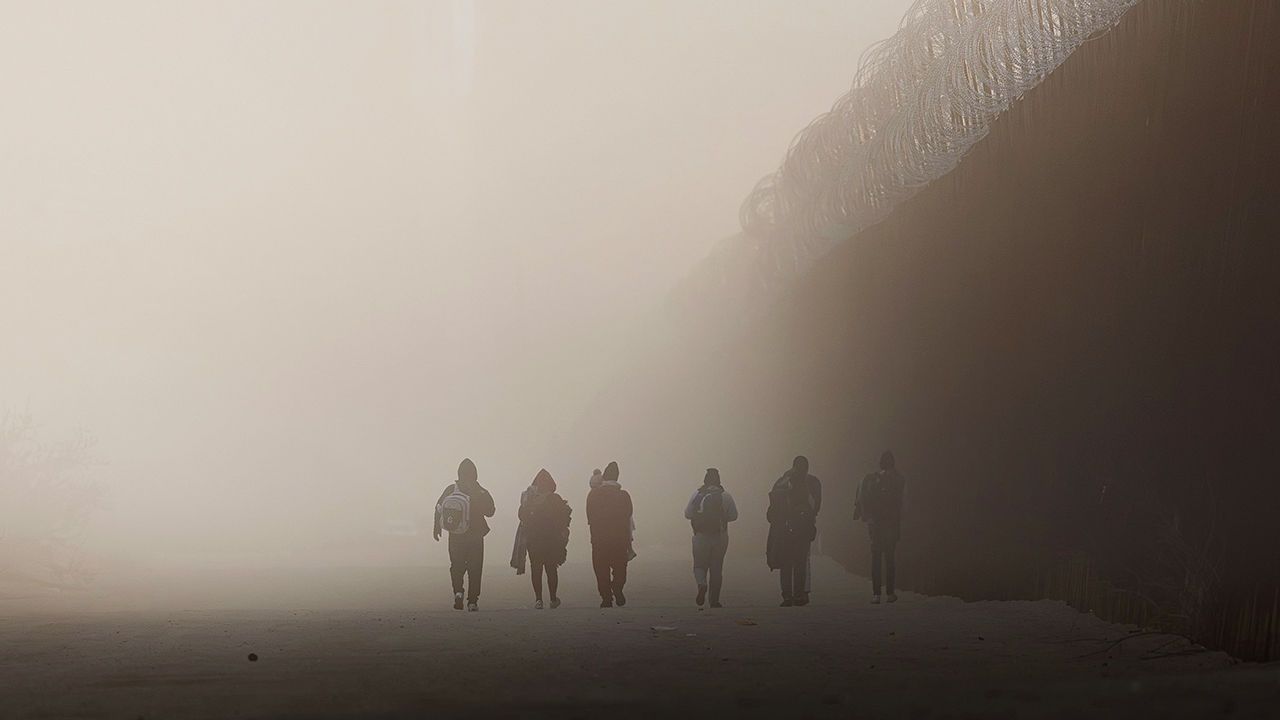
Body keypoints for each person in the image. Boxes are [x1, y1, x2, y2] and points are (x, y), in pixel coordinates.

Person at [433, 458, 496, 611]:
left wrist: (437, 527)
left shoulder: (451, 489)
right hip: (475, 536)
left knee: (456, 566)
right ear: (475, 474)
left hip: (456, 535)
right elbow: (491, 512)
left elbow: (439, 507)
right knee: (475, 568)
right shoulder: (480, 491)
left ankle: (458, 592)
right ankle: (472, 601)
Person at [766, 455, 822, 607]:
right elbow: (815, 507)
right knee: (800, 562)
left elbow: (772, 511)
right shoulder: (812, 483)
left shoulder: (781, 483)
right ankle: (799, 595)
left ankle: (786, 596)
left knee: (786, 563)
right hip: (803, 529)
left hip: (784, 528)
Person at [855, 450, 906, 604]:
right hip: (891, 523)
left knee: (876, 558)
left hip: (875, 523)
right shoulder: (898, 479)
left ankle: (876, 594)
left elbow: (863, 498)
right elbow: (902, 502)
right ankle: (890, 593)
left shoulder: (871, 479)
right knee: (890, 558)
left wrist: (868, 517)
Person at [684, 468, 738, 608]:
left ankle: (702, 584)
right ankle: (714, 601)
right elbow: (734, 516)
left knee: (699, 565)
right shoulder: (726, 496)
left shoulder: (697, 494)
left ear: (705, 480)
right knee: (716, 568)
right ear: (719, 480)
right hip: (720, 536)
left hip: (700, 536)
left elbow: (688, 514)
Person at [517, 469, 571, 609]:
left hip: (534, 540)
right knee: (551, 569)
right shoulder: (555, 499)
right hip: (551, 541)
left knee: (536, 569)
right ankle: (553, 598)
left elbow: (521, 517)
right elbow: (565, 519)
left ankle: (538, 599)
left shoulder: (530, 499)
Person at [586, 461, 632, 607]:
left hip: (599, 539)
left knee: (601, 569)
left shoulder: (593, 495)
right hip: (620, 539)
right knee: (620, 567)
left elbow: (589, 517)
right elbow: (628, 515)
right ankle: (617, 587)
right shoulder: (624, 496)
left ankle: (606, 598)